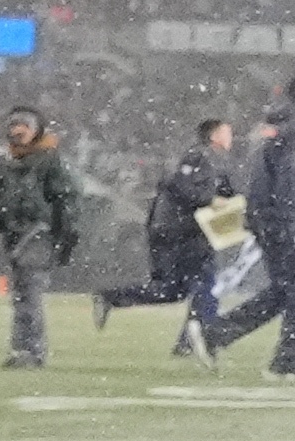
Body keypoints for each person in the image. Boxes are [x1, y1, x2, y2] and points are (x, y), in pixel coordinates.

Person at [208, 72, 295, 380]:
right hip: (290, 223)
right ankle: (287, 364)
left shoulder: (277, 126)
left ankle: (213, 334)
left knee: (284, 292)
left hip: (273, 219)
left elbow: (268, 177)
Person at [92, 118, 240, 357]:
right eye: (227, 132)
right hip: (181, 233)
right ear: (214, 136)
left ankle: (113, 297)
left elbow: (225, 192)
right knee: (205, 286)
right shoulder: (199, 157)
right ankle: (195, 339)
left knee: (171, 290)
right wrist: (211, 200)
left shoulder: (212, 161)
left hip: (178, 232)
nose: (231, 137)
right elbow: (181, 187)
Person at [0, 105, 88, 372]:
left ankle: (30, 350)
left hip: (39, 234)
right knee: (23, 293)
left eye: (24, 125)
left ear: (36, 130)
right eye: (13, 125)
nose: (17, 130)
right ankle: (24, 348)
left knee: (28, 291)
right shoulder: (3, 164)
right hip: (13, 235)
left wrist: (67, 231)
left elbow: (68, 198)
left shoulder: (50, 161)